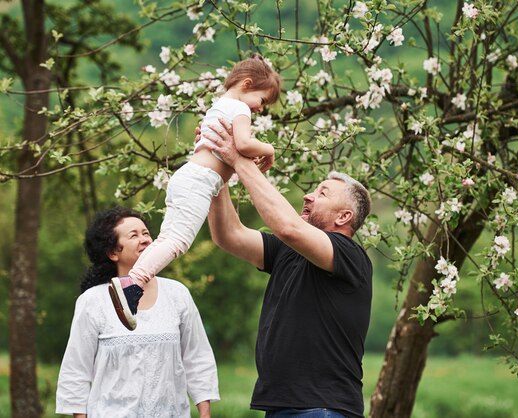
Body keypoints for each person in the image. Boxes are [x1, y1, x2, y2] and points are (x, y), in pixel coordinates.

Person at [203, 119, 373, 418]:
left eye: (322, 193)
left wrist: (240, 160)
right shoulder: (289, 252)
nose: (308, 196)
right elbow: (228, 236)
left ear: (344, 216)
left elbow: (288, 228)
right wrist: (219, 168)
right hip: (284, 405)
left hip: (322, 408)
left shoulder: (349, 255)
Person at [109, 53, 282, 330]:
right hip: (199, 182)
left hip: (190, 178)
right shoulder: (240, 110)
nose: (262, 109)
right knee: (177, 241)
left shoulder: (220, 105)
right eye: (263, 101)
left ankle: (132, 284)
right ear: (247, 84)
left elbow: (228, 153)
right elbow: (245, 144)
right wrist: (269, 149)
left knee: (169, 238)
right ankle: (133, 283)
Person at [56, 207, 219, 417]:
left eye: (146, 234)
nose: (144, 240)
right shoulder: (93, 301)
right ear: (113, 252)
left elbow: (197, 357)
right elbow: (77, 369)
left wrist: (205, 412)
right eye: (134, 235)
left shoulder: (177, 294)